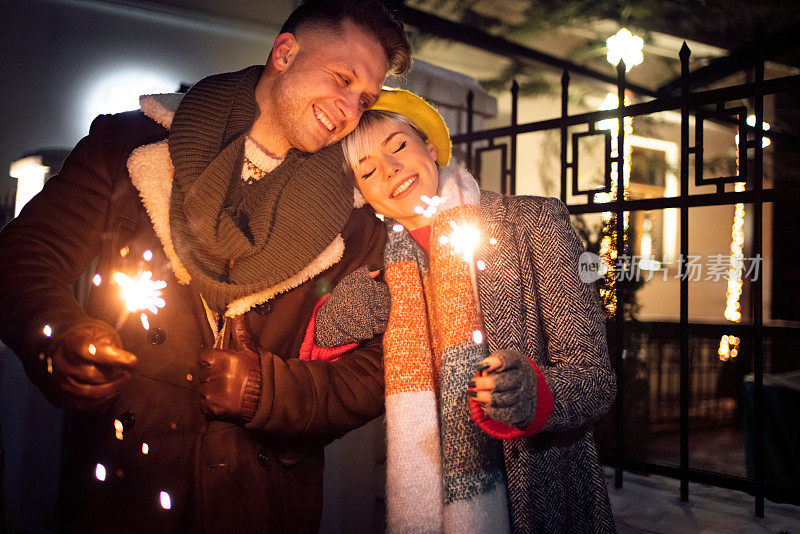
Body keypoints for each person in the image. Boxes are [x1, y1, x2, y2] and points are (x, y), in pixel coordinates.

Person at [0, 1, 409, 531]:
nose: (350, 108)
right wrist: (58, 338)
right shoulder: (129, 144)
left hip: (261, 507)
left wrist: (270, 392)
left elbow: (383, 366)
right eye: (341, 77)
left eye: (364, 98)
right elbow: (24, 256)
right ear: (284, 53)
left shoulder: (356, 222)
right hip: (120, 500)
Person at [301, 89, 618, 533]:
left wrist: (532, 392)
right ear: (364, 195)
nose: (390, 169)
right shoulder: (378, 263)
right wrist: (367, 299)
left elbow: (596, 381)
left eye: (398, 146)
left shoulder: (533, 222)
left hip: (544, 494)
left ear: (430, 148)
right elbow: (319, 337)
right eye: (368, 170)